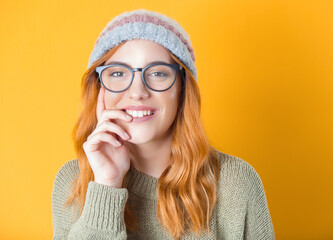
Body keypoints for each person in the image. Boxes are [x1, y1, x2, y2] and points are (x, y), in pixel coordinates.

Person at [51, 9, 275, 240]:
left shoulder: (236, 183)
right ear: (99, 89)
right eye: (118, 73)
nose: (137, 92)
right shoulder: (72, 183)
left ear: (182, 88)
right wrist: (107, 185)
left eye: (158, 73)